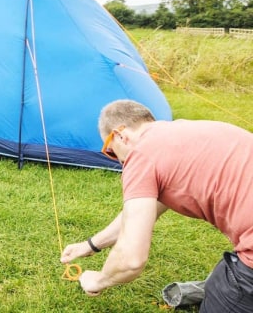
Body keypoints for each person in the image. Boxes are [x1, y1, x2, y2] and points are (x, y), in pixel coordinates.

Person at [60, 99, 253, 312]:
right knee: (219, 281)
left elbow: (131, 259)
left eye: (112, 152)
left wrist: (99, 279)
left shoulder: (141, 154)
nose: (120, 162)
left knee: (222, 296)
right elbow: (139, 215)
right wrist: (90, 245)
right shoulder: (184, 133)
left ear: (121, 135)